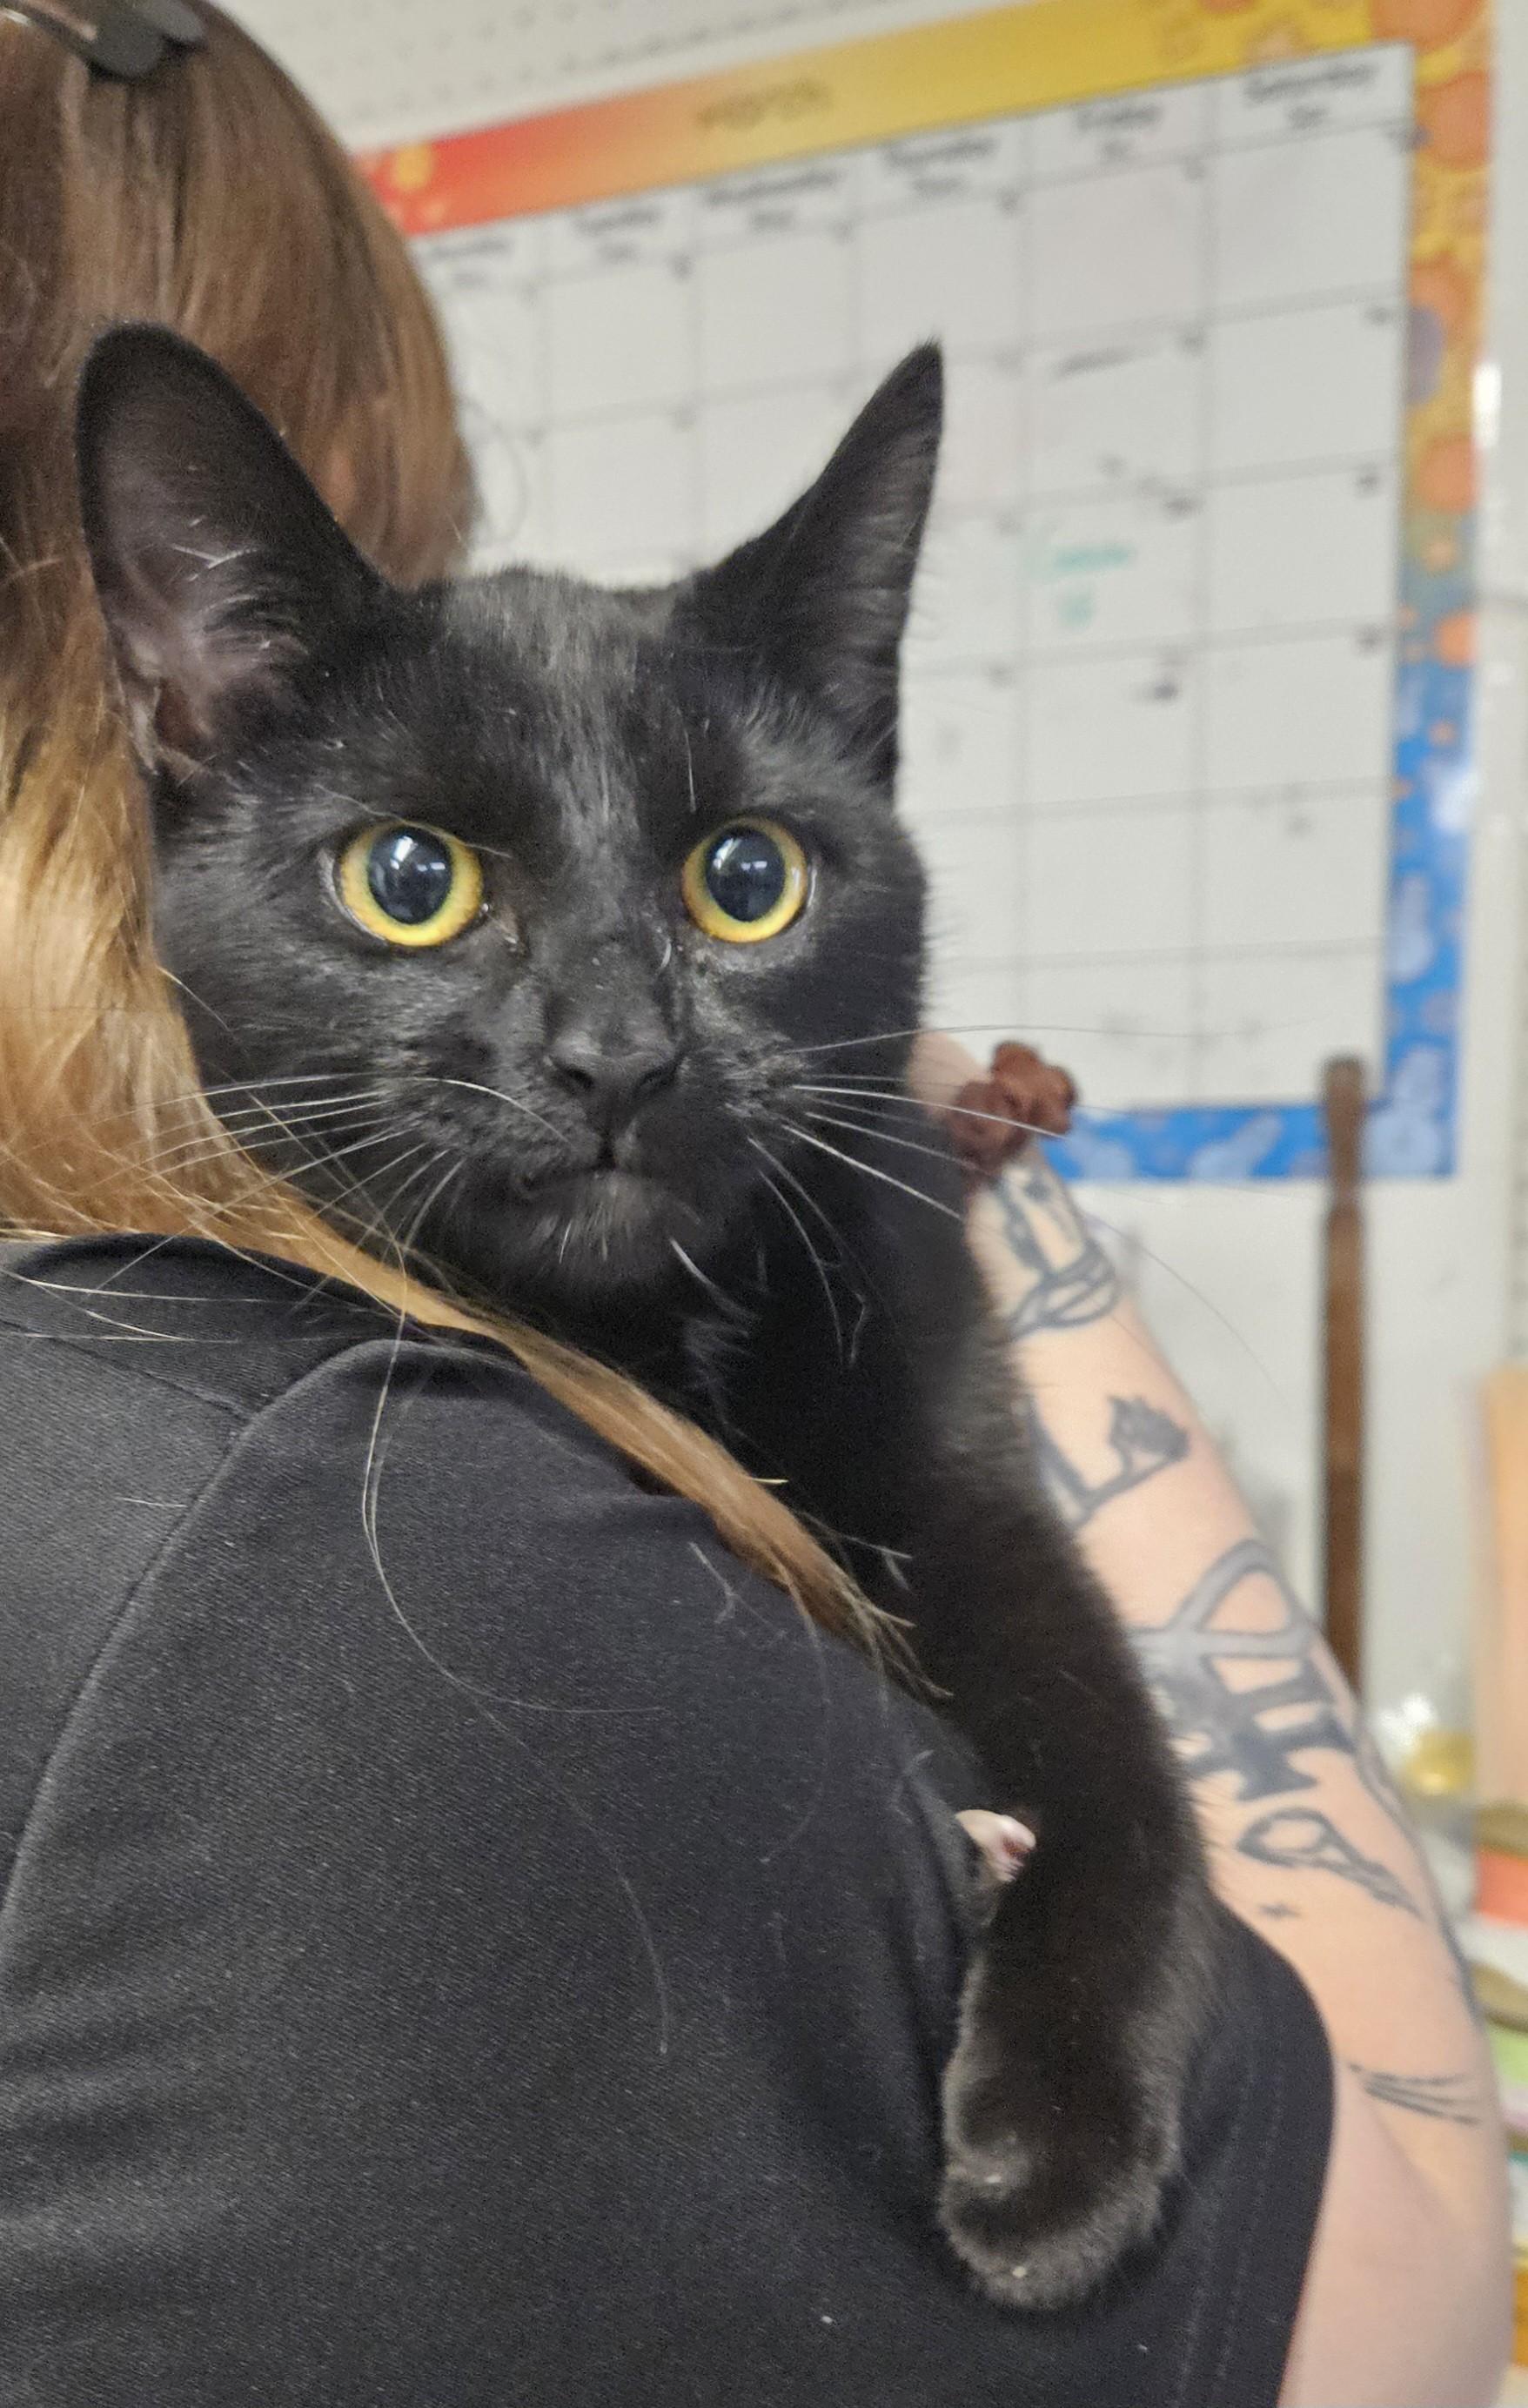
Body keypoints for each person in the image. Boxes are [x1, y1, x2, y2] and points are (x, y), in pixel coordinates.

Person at [0, 7, 1508, 2402]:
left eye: (731, 875)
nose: (601, 1038)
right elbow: (1414, 2287)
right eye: (418, 879)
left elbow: (957, 1543)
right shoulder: (348, 1512)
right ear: (165, 694)